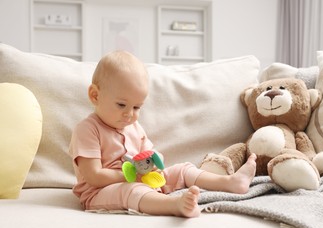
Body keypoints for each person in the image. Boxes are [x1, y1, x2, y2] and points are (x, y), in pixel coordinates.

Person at [69, 50, 257, 218]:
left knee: (182, 169)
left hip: (141, 179)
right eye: (121, 105)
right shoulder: (87, 129)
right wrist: (133, 178)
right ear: (95, 95)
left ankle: (230, 183)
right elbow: (94, 176)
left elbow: (151, 156)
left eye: (137, 107)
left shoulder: (134, 127)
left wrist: (155, 165)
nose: (129, 114)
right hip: (100, 192)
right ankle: (174, 205)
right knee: (132, 190)